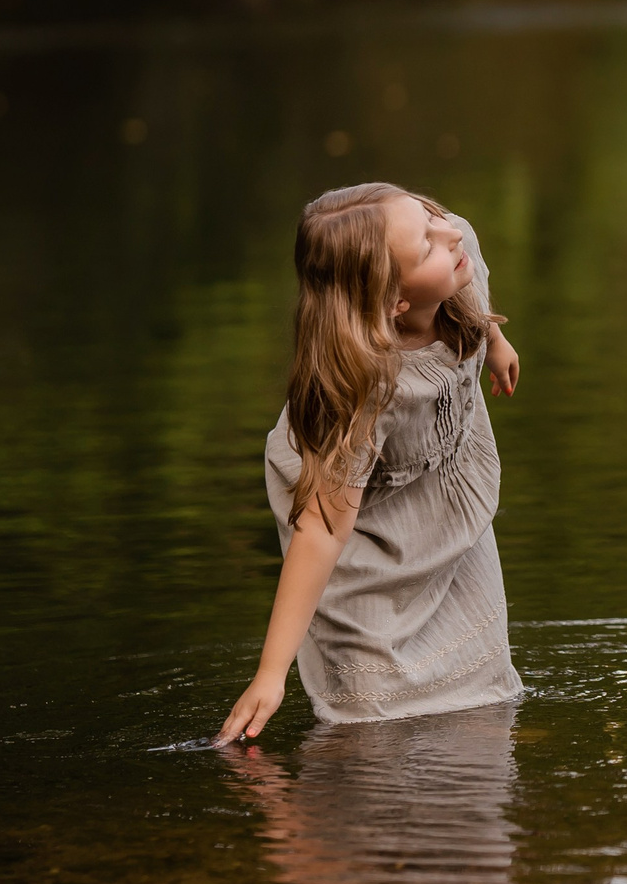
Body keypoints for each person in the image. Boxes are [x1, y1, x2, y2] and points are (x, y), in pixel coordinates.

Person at [217, 185, 525, 744]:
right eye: (426, 243)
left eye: (429, 219)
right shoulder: (361, 394)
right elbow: (322, 530)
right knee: (375, 706)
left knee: (482, 688)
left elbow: (469, 272)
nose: (450, 233)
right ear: (394, 303)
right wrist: (270, 675)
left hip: (440, 484)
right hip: (351, 510)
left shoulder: (451, 251)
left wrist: (494, 339)